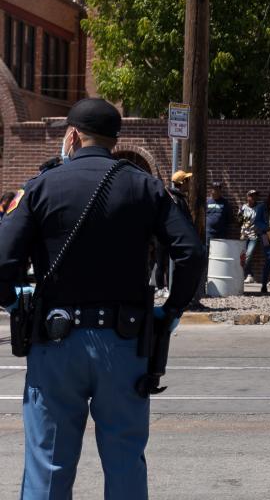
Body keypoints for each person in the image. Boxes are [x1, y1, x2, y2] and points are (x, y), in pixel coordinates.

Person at [0, 98, 203, 499]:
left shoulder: (41, 186)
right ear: (114, 140)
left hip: (55, 340)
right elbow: (191, 253)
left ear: (72, 135)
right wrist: (172, 311)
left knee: (49, 464)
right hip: (125, 343)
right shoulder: (145, 185)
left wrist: (14, 303)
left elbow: (2, 259)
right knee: (125, 460)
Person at [255, 186, 270, 294]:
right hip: (265, 235)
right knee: (269, 259)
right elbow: (257, 222)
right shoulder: (262, 207)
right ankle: (264, 285)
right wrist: (266, 228)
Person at [238, 190, 260, 284]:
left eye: (255, 196)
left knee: (249, 254)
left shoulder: (259, 207)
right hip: (244, 235)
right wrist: (239, 214)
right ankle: (249, 275)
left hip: (253, 235)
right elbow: (239, 221)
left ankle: (249, 275)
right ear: (247, 197)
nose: (253, 198)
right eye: (251, 196)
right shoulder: (243, 207)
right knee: (243, 256)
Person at [205, 181, 232, 246]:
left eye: (218, 189)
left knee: (220, 250)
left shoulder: (225, 202)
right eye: (214, 189)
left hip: (221, 233)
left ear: (220, 190)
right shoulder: (207, 201)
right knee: (208, 249)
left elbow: (229, 217)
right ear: (211, 190)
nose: (216, 191)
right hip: (209, 232)